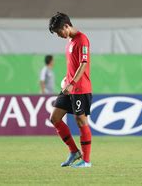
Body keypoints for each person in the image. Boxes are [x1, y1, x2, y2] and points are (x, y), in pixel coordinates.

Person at [48, 12, 93, 168]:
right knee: (54, 118)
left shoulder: (82, 39)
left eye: (59, 32)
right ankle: (74, 152)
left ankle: (86, 161)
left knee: (81, 121)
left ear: (66, 26)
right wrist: (67, 81)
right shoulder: (70, 41)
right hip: (69, 87)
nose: (59, 35)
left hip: (80, 88)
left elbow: (83, 64)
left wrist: (73, 82)